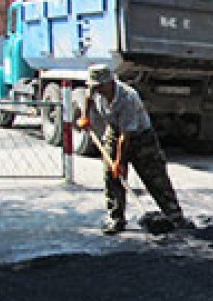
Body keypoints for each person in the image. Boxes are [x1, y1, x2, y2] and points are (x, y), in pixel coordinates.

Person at [77, 65, 192, 235]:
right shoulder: (96, 90)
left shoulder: (127, 98)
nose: (97, 90)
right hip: (114, 131)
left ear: (109, 82)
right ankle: (116, 218)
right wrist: (85, 117)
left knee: (155, 176)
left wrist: (119, 162)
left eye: (99, 86)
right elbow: (88, 96)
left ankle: (175, 216)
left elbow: (126, 137)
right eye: (94, 86)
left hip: (140, 136)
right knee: (111, 176)